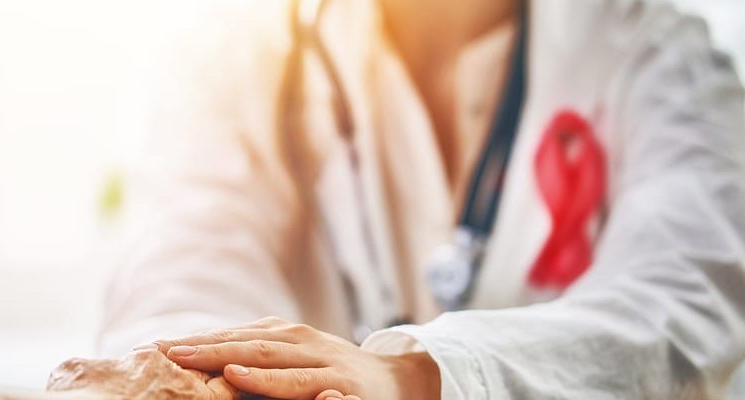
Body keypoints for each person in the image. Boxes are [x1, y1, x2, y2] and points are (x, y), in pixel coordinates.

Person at [89, 0, 745, 398]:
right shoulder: (237, 57)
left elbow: (684, 305)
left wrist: (421, 379)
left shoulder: (659, 59)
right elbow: (181, 274)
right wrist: (209, 383)